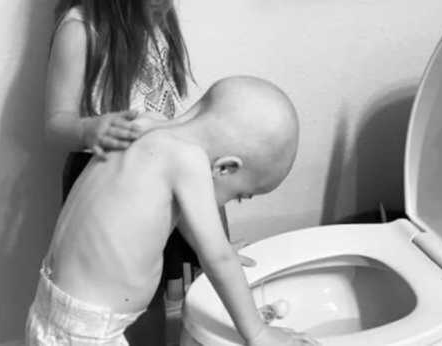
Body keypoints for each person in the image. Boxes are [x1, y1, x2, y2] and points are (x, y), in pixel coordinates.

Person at [44, 0, 209, 342]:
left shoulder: (155, 16)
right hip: (110, 190)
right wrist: (89, 129)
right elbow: (55, 122)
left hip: (158, 178)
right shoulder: (81, 31)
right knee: (117, 300)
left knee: (167, 290)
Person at [26, 76, 319, 346]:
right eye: (240, 196)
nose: (230, 202)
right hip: (88, 335)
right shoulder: (187, 160)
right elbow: (216, 257)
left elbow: (176, 217)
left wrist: (221, 247)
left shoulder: (143, 126)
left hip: (48, 312)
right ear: (225, 167)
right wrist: (259, 333)